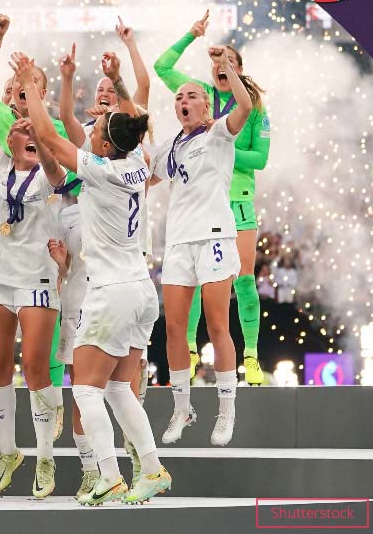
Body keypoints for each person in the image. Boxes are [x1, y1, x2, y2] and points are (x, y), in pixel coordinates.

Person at [15, 51, 171, 506]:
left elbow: (48, 134)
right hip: (142, 289)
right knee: (120, 388)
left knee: (85, 388)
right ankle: (152, 469)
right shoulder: (137, 160)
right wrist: (119, 83)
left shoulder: (101, 171)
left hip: (112, 292)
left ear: (103, 147)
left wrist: (30, 86)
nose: (91, 130)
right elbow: (135, 120)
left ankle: (110, 476)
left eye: (97, 129)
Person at [0, 66, 66, 497]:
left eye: (33, 130)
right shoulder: (0, 166)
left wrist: (35, 115)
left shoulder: (53, 172)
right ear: (10, 140)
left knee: (36, 367)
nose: (27, 131)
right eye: (20, 129)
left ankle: (45, 457)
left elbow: (52, 157)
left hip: (37, 278)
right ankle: (7, 451)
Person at [154, 10, 270, 385]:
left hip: (238, 200)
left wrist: (219, 144)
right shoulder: (199, 95)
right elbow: (161, 66)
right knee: (192, 278)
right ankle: (189, 349)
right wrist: (192, 34)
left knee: (245, 280)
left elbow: (261, 159)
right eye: (218, 60)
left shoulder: (253, 109)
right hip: (202, 206)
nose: (221, 66)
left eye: (229, 61)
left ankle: (251, 354)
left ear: (238, 70)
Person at [153, 45, 254, 448]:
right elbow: (142, 178)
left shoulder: (218, 132)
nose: (183, 100)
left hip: (214, 237)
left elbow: (245, 106)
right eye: (179, 96)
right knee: (174, 328)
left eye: (191, 95)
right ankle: (182, 409)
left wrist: (227, 67)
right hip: (178, 241)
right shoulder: (169, 146)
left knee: (216, 325)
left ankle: (227, 410)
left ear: (206, 105)